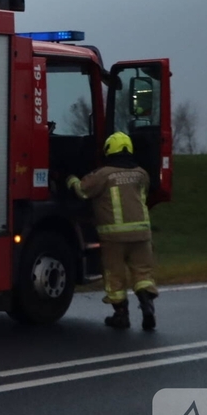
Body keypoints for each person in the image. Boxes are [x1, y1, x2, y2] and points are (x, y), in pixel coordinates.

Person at [65, 132, 158, 330]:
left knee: (115, 276)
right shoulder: (142, 174)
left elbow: (83, 191)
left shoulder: (103, 175)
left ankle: (121, 316)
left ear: (109, 150)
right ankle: (147, 305)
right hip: (142, 235)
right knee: (143, 274)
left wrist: (70, 179)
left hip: (113, 237)